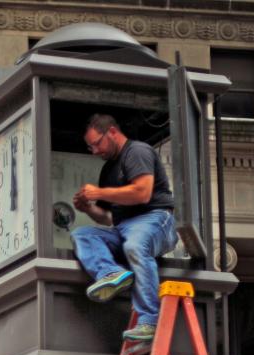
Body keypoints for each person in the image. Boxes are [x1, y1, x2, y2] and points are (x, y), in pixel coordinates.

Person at [71, 113, 179, 343]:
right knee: (82, 234)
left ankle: (149, 319)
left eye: (97, 143)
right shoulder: (108, 170)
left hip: (155, 219)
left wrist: (98, 193)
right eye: (90, 147)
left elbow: (142, 193)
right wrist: (88, 208)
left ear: (112, 132)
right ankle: (110, 273)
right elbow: (109, 218)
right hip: (123, 227)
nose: (95, 151)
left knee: (135, 245)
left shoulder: (137, 151)